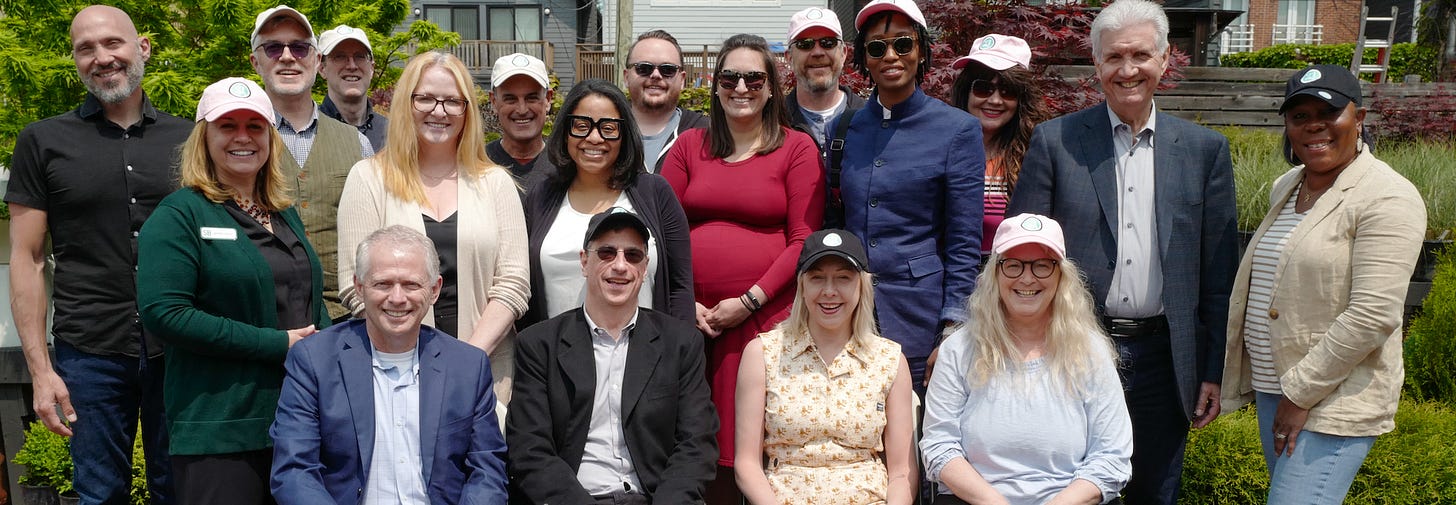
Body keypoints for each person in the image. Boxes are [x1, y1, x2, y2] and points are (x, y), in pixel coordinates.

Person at [1005, 0, 1238, 502]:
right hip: (1072, 349)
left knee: (1155, 491)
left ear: (1165, 59)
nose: (1127, 69)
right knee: (1072, 490)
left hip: (1163, 359)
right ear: (1097, 64)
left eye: (1140, 55)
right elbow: (1019, 258)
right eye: (1114, 57)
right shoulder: (1056, 142)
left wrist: (1212, 369)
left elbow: (1218, 277)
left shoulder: (1204, 152)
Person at [5, 6, 191, 504]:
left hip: (181, 347)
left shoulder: (192, 137)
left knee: (182, 490)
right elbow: (27, 259)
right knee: (99, 494)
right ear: (75, 60)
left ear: (142, 47)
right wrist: (41, 372)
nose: (101, 57)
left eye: (113, 43)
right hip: (88, 352)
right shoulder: (42, 141)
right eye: (85, 48)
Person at [1220, 64, 1426, 504]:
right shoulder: (1287, 186)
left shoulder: (1388, 196)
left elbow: (1373, 314)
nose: (1314, 125)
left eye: (1329, 113)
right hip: (1277, 388)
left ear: (1359, 118)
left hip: (1330, 397)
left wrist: (1300, 394)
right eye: (1300, 116)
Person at [137, 77, 331, 504]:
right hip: (220, 430)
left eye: (255, 126)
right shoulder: (180, 215)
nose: (243, 137)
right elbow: (164, 313)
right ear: (203, 138)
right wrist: (275, 344)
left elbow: (309, 299)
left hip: (296, 422)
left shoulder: (282, 213)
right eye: (227, 126)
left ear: (270, 138)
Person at [661, 33, 826, 503]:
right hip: (692, 321)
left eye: (754, 79)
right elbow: (659, 228)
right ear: (715, 85)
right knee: (691, 440)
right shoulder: (690, 146)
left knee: (756, 441)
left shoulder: (796, 148)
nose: (740, 87)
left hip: (764, 318)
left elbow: (804, 240)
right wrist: (685, 301)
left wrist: (750, 300)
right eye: (729, 77)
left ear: (771, 88)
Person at [337, 51, 530, 403]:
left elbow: (513, 284)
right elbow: (356, 285)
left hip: (486, 373)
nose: (439, 111)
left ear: (467, 111)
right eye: (425, 98)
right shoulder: (367, 179)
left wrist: (466, 360)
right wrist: (416, 359)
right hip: (394, 375)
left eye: (452, 101)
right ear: (405, 103)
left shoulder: (496, 183)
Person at [271, 225, 508, 503]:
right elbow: (294, 471)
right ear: (359, 287)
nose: (397, 298)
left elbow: (487, 472)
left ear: (434, 290)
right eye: (383, 284)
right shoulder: (314, 361)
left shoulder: (467, 366)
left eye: (411, 285)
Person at [508, 208, 719, 504]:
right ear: (584, 262)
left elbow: (696, 445)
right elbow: (529, 449)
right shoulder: (539, 346)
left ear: (644, 268)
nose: (620, 266)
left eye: (633, 256)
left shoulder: (681, 344)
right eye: (607, 253)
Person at [921, 214, 1132, 505]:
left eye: (1042, 265)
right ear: (995, 273)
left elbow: (1112, 456)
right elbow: (939, 445)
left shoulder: (1091, 351)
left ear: (1061, 276)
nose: (1027, 278)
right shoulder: (959, 349)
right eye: (1013, 265)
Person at [838, 0, 985, 390]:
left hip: (921, 316)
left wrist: (954, 324)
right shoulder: (846, 128)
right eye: (876, 47)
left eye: (903, 44)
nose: (890, 56)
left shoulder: (957, 130)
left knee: (917, 423)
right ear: (864, 59)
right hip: (849, 314)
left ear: (921, 51)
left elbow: (964, 240)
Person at [735, 229, 917, 505]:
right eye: (817, 278)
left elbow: (902, 473)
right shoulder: (762, 354)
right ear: (801, 286)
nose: (829, 291)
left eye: (843, 278)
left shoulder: (889, 359)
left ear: (861, 286)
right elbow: (747, 464)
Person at [522, 80, 694, 327]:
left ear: (624, 134)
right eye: (581, 126)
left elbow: (680, 287)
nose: (594, 137)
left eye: (608, 128)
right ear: (565, 131)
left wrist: (681, 346)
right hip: (556, 349)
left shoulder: (654, 193)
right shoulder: (542, 197)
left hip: (646, 348)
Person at [250, 5, 373, 321]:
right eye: (273, 48)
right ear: (255, 61)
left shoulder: (357, 143)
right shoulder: (238, 143)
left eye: (300, 48)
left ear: (317, 60)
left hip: (345, 316)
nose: (287, 57)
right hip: (262, 319)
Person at [950, 34, 1048, 261]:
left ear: (1021, 99)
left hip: (1012, 275)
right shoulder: (940, 150)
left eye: (1008, 90)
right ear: (966, 91)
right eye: (983, 88)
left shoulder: (1035, 157)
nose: (995, 100)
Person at [623, 30, 709, 171]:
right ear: (626, 77)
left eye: (668, 69)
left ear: (682, 80)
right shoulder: (604, 132)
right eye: (644, 68)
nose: (656, 75)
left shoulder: (706, 133)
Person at [784, 6, 865, 148]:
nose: (818, 52)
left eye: (828, 43)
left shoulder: (869, 117)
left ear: (843, 53)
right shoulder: (772, 121)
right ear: (789, 57)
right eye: (805, 44)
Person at [486, 52, 556, 194]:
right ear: (494, 102)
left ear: (548, 99)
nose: (522, 110)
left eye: (531, 98)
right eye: (510, 99)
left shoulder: (565, 167)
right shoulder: (478, 165)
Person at [318, 24, 388, 151]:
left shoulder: (391, 133)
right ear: (322, 68)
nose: (352, 66)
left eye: (360, 56)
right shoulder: (310, 131)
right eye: (340, 57)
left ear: (372, 69)